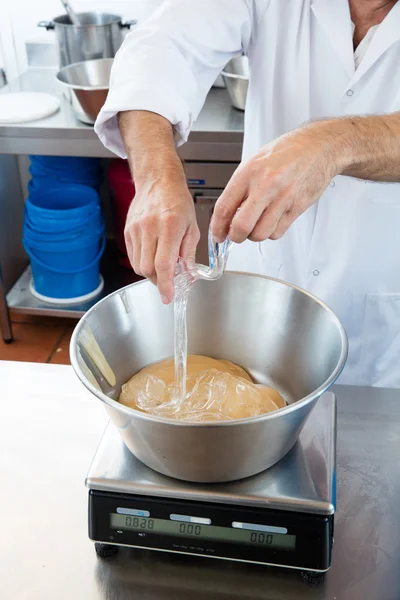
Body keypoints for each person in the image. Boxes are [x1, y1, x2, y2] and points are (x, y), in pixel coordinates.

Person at [95, 0, 400, 388]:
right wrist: (156, 176)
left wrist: (335, 143)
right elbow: (162, 45)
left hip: (384, 344)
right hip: (260, 307)